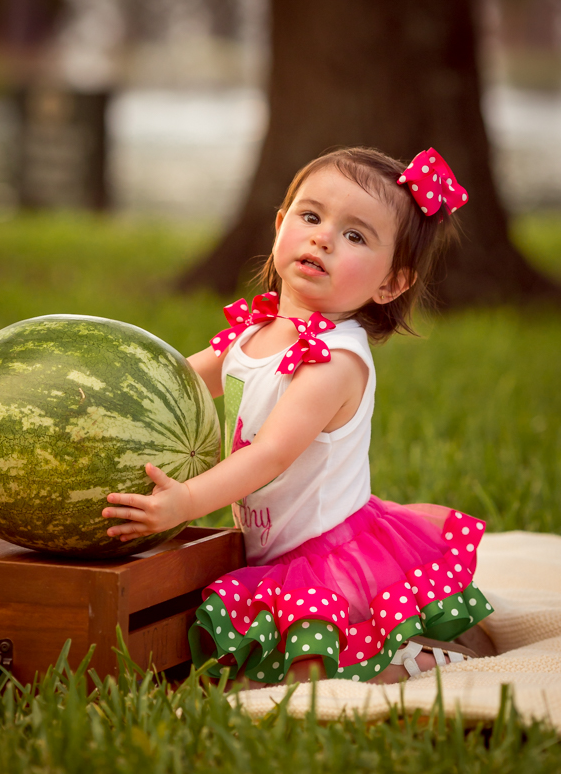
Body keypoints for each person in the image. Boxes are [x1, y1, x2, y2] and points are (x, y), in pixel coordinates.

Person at [102, 146, 494, 685]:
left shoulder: (335, 361)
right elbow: (176, 382)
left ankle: (419, 665)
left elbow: (271, 454)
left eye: (356, 236)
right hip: (270, 541)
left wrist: (186, 502)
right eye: (311, 217)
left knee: (308, 672)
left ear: (390, 283)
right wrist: (105, 393)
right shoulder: (254, 330)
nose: (324, 238)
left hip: (330, 552)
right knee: (248, 654)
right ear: (281, 226)